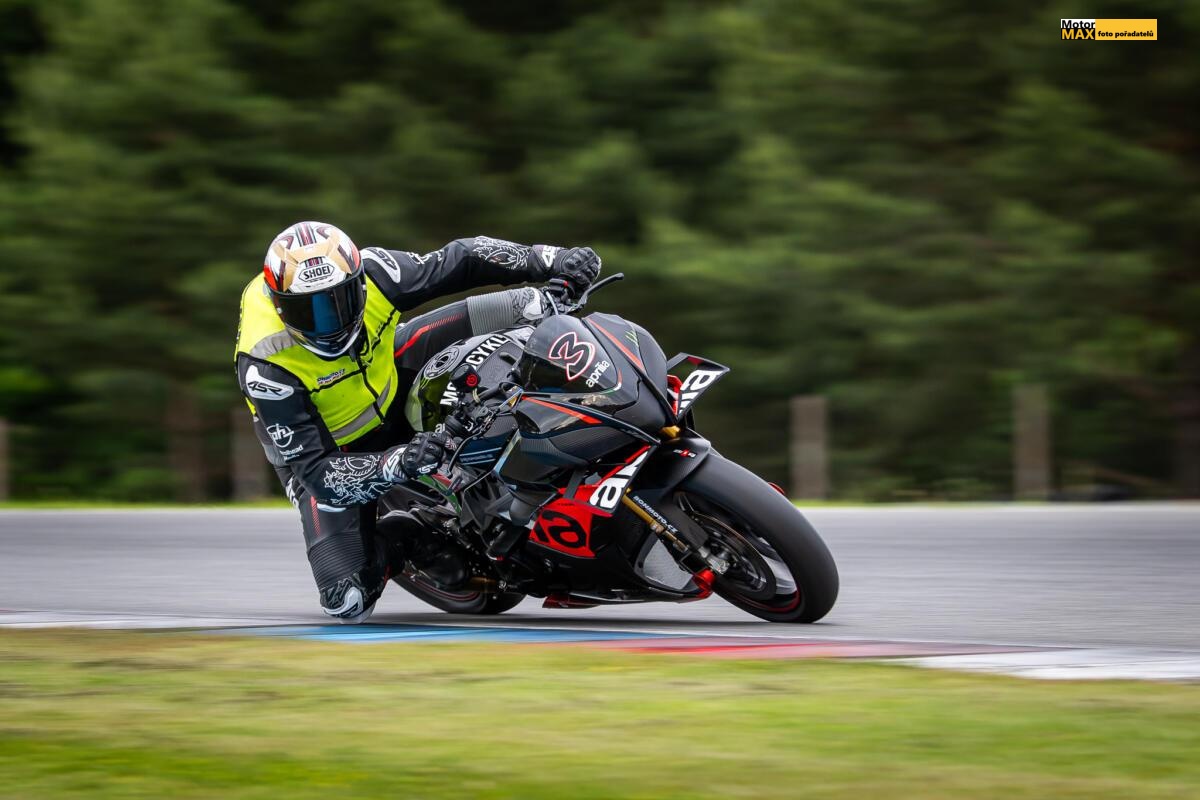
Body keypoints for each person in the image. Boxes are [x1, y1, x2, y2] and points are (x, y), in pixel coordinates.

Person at [234, 221, 600, 622]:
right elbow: (317, 473)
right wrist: (398, 462)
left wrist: (551, 259)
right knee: (346, 599)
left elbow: (462, 257)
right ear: (280, 305)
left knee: (533, 305)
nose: (331, 322)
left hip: (391, 374)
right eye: (310, 311)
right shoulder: (265, 366)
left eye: (340, 300)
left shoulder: (376, 270)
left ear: (358, 283)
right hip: (331, 451)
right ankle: (409, 540)